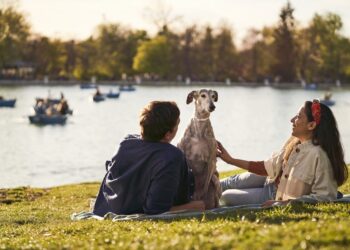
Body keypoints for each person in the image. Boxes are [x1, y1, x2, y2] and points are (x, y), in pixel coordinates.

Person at [217, 100, 348, 206]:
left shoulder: (320, 156)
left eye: (298, 117)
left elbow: (324, 197)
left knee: (226, 197)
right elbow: (267, 167)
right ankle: (196, 195)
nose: (292, 120)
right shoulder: (296, 141)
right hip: (270, 178)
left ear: (311, 125)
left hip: (274, 195)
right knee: (228, 182)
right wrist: (230, 160)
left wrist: (283, 203)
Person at [93, 101, 204, 216]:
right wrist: (197, 206)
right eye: (177, 124)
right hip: (139, 208)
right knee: (218, 191)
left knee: (217, 183)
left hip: (110, 206)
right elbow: (156, 210)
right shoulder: (171, 156)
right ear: (168, 134)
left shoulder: (125, 144)